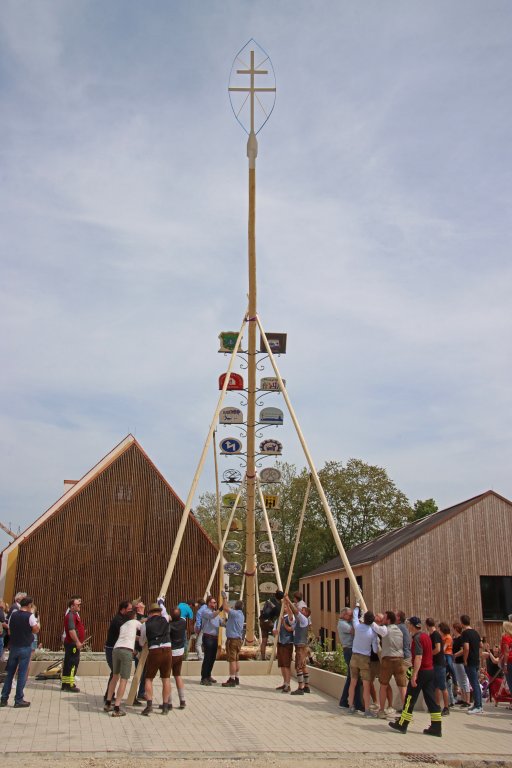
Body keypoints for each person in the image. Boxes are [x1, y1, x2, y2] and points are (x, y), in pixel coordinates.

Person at [389, 616, 442, 737]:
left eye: (409, 625)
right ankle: (436, 726)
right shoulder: (426, 636)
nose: (408, 627)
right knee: (431, 700)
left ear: (412, 626)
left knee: (409, 698)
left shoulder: (417, 638)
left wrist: (414, 675)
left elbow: (418, 657)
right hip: (430, 671)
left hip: (421, 671)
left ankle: (402, 724)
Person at [347, 604, 387, 718]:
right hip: (365, 659)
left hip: (354, 657)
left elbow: (355, 617)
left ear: (364, 619)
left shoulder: (357, 627)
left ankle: (351, 706)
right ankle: (366, 710)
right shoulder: (373, 633)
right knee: (366, 685)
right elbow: (375, 649)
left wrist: (357, 607)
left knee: (353, 683)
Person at [1, 596, 40, 708]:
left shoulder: (14, 614)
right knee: (22, 674)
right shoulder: (30, 616)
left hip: (14, 646)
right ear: (29, 605)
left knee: (10, 673)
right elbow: (35, 629)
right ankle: (18, 699)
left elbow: (9, 630)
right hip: (25, 646)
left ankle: (3, 698)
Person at [104, 608, 141, 717]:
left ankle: (108, 703)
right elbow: (144, 630)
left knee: (115, 677)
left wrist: (139, 638)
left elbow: (132, 637)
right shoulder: (135, 622)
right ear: (134, 617)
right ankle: (117, 708)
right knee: (124, 679)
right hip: (126, 652)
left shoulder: (123, 626)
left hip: (116, 649)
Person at [139, 598, 172, 715]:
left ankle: (149, 706)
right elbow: (165, 612)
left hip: (154, 650)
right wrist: (162, 602)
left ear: (149, 613)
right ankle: (165, 706)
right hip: (168, 649)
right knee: (166, 679)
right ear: (158, 611)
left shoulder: (145, 625)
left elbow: (142, 642)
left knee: (149, 678)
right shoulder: (165, 619)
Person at [378, 610, 406, 718]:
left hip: (388, 659)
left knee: (383, 685)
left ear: (388, 620)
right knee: (402, 686)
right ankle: (406, 712)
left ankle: (381, 710)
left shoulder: (385, 630)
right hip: (399, 659)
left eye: (384, 618)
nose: (382, 620)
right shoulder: (400, 630)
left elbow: (375, 628)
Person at [104, 600, 133, 700]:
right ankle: (109, 696)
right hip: (112, 649)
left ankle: (109, 695)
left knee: (115, 673)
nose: (131, 612)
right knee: (115, 672)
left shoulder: (123, 619)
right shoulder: (118, 621)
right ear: (123, 609)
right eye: (129, 610)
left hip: (115, 649)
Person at [284, 594, 311, 695]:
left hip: (300, 646)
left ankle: (300, 687)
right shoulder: (300, 621)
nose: (301, 611)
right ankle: (307, 687)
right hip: (301, 645)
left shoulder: (304, 620)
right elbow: (292, 614)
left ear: (306, 614)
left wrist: (288, 601)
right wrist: (287, 603)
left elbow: (295, 611)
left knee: (298, 666)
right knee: (303, 666)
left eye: (303, 610)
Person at [338, 607, 363, 711]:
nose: (351, 617)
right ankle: (349, 702)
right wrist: (356, 620)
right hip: (349, 650)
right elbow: (354, 631)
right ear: (344, 615)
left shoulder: (346, 622)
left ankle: (349, 702)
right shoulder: (342, 624)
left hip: (351, 650)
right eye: (350, 615)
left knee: (353, 677)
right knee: (353, 677)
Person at [425, 617, 449, 715]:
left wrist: (429, 654)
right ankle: (437, 706)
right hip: (435, 664)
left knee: (442, 686)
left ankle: (446, 707)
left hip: (439, 664)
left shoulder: (435, 634)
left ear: (427, 625)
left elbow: (438, 649)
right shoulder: (432, 634)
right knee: (436, 686)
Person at [221, 592, 245, 687]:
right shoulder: (241, 615)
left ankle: (231, 679)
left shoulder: (235, 613)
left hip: (232, 640)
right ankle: (236, 677)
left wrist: (224, 598)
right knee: (236, 659)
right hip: (238, 639)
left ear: (235, 606)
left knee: (232, 660)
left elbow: (225, 608)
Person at [461, 614, 483, 714]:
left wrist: (465, 660)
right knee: (476, 683)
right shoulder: (475, 632)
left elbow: (466, 648)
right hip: (476, 659)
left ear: (462, 623)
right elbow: (481, 645)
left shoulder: (465, 633)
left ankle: (478, 706)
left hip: (470, 660)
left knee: (474, 683)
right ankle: (477, 704)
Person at [62, 596, 85, 692]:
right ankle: (69, 685)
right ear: (72, 606)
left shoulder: (74, 615)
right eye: (77, 604)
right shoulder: (71, 616)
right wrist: (77, 642)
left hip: (72, 644)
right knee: (72, 664)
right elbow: (71, 631)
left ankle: (66, 684)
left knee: (69, 664)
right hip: (72, 645)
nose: (79, 605)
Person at [168, 606, 187, 709]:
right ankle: (182, 700)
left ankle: (169, 702)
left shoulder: (169, 626)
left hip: (171, 653)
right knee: (178, 675)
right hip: (180, 652)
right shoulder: (183, 623)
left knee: (166, 678)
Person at [200, 595, 221, 685]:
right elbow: (212, 616)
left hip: (215, 638)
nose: (215, 604)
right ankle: (203, 678)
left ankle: (208, 675)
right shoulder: (205, 612)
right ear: (208, 603)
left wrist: (230, 620)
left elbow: (221, 623)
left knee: (212, 658)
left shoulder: (216, 614)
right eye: (213, 602)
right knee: (207, 658)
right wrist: (220, 609)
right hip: (208, 637)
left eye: (215, 602)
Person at [273, 605, 294, 693]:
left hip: (287, 643)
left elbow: (291, 618)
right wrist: (274, 632)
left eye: (285, 607)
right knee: (282, 665)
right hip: (280, 643)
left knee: (286, 665)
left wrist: (287, 604)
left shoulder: (288, 618)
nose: (283, 608)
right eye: (283, 607)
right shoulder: (278, 619)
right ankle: (285, 683)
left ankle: (288, 685)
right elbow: (274, 630)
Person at [259, 590, 284, 660]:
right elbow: (278, 614)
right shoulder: (278, 606)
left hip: (262, 621)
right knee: (277, 637)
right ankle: (279, 656)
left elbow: (264, 610)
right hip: (269, 622)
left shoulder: (269, 600)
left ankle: (263, 657)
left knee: (264, 640)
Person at [452, 622, 470, 706]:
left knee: (464, 681)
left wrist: (455, 654)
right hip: (456, 662)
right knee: (460, 680)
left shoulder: (461, 639)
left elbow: (463, 650)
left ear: (456, 629)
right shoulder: (455, 639)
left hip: (460, 662)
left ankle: (467, 700)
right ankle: (463, 699)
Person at [439, 621, 456, 707]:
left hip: (447, 653)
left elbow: (445, 648)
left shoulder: (448, 637)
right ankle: (450, 701)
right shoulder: (442, 636)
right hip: (443, 655)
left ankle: (454, 675)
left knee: (449, 664)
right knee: (447, 682)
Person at [499, 620, 512, 701]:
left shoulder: (505, 637)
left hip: (509, 661)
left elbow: (506, 652)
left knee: (510, 682)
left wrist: (505, 665)